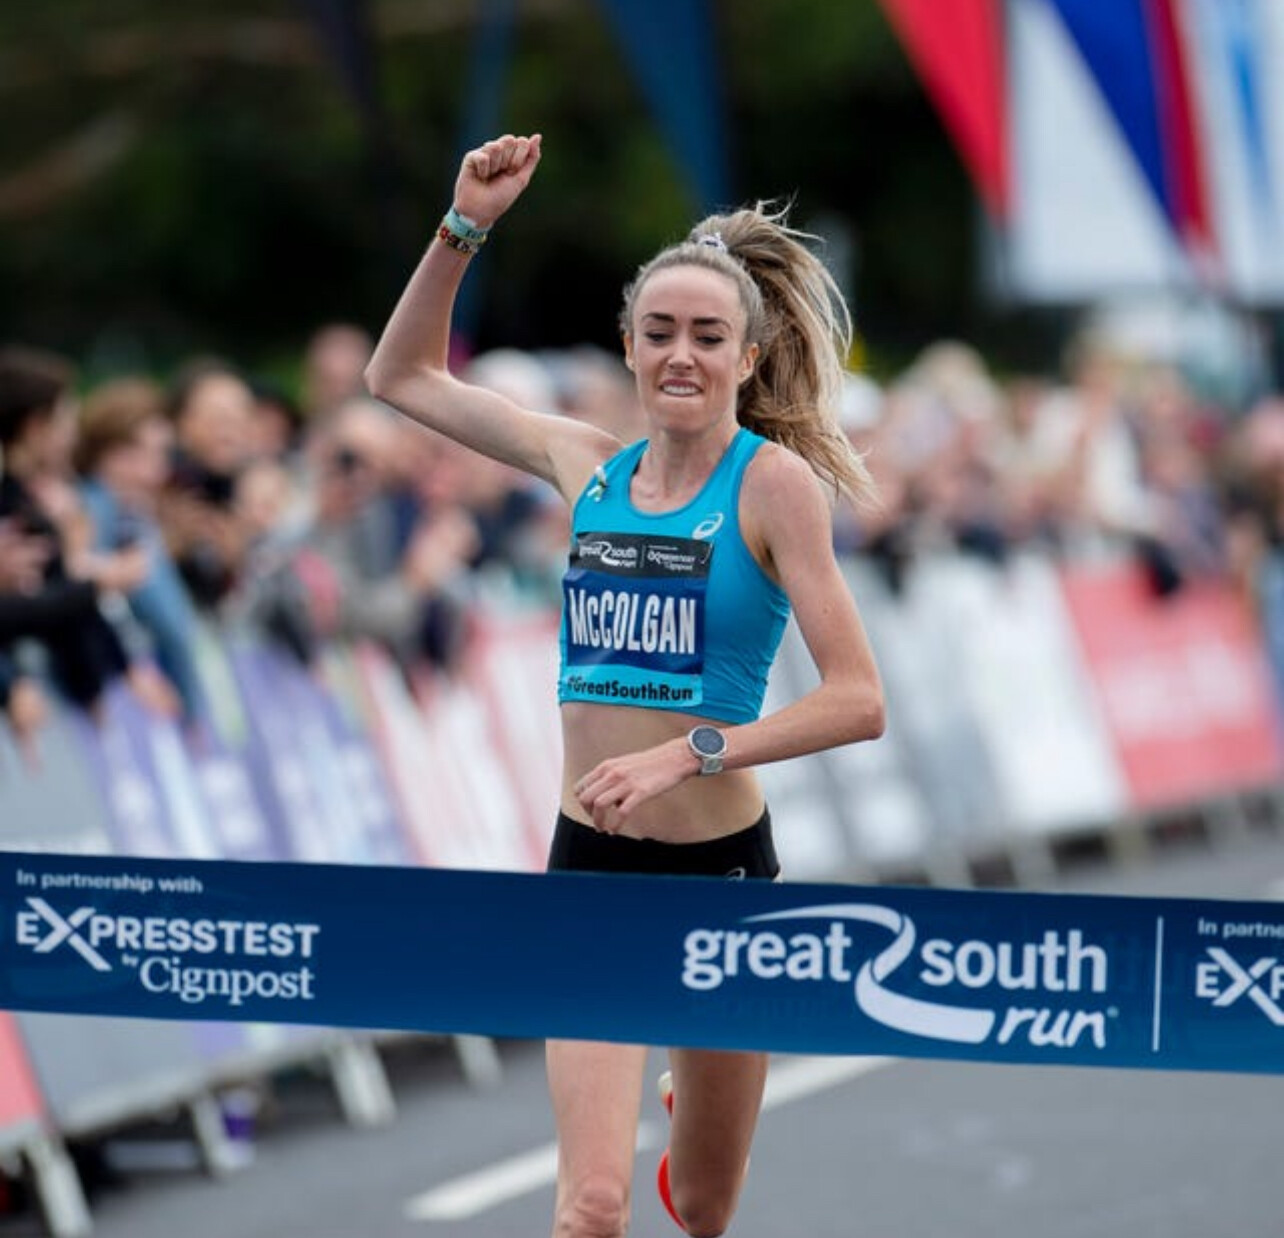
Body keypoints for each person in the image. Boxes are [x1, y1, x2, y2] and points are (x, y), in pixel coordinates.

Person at [365, 133, 885, 1238]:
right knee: (592, 1209)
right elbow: (398, 378)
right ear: (629, 346)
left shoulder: (775, 488)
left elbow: (858, 698)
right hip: (592, 867)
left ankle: (690, 1107)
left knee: (702, 1206)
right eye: (659, 333)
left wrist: (686, 751)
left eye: (708, 336)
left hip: (719, 875)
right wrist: (466, 226)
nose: (680, 355)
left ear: (749, 357)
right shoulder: (585, 465)